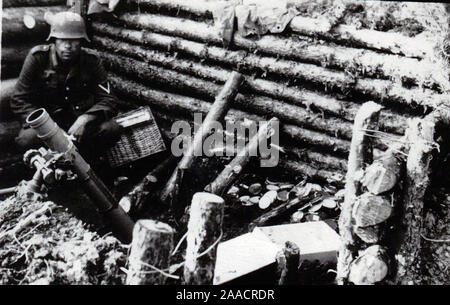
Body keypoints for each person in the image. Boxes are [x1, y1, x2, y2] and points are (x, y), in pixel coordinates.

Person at [10, 11, 121, 162]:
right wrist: (50, 129)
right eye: (62, 40)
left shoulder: (91, 60)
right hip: (47, 122)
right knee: (26, 139)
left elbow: (108, 99)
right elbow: (19, 99)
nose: (68, 46)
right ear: (54, 40)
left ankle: (89, 164)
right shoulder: (38, 58)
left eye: (74, 40)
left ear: (82, 41)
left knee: (111, 129)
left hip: (78, 124)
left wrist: (85, 118)